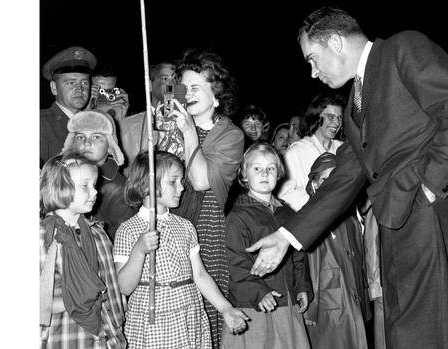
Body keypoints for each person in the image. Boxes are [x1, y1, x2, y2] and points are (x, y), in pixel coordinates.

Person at [247, 6, 448, 349]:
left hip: (429, 211)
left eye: (312, 59)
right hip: (396, 220)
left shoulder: (402, 49)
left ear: (335, 41)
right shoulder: (355, 103)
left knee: (424, 333)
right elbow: (344, 177)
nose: (312, 72)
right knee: (402, 333)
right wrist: (288, 236)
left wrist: (429, 187)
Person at [113, 151, 249, 349]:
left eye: (181, 181)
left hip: (188, 313)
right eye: (173, 181)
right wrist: (139, 251)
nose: (182, 188)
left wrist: (225, 308)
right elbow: (124, 287)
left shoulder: (185, 226)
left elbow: (200, 275)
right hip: (153, 320)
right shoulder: (128, 229)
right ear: (147, 185)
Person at [168, 48, 245, 349]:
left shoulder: (231, 135)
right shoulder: (166, 127)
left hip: (206, 230)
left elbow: (200, 181)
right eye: (184, 88)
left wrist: (189, 132)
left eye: (197, 87)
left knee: (205, 315)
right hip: (170, 225)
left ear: (217, 95)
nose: (188, 94)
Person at [222, 143, 312, 349]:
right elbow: (235, 262)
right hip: (256, 304)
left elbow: (298, 255)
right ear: (244, 175)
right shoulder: (238, 216)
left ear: (279, 174)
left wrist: (302, 287)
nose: (265, 173)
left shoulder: (287, 213)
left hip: (285, 300)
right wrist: (258, 292)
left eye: (271, 168)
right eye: (257, 168)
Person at [39, 152, 126, 348]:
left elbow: (111, 291)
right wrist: (76, 302)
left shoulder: (98, 234)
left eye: (94, 185)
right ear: (59, 187)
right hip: (65, 338)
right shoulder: (42, 237)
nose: (95, 192)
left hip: (106, 338)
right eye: (85, 186)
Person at [303, 152, 369, 349]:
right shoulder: (311, 217)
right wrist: (311, 309)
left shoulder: (350, 217)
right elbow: (311, 267)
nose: (331, 184)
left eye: (336, 178)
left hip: (353, 297)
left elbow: (360, 260)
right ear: (315, 184)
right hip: (330, 304)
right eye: (325, 179)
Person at [62, 110, 137, 242]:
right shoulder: (64, 177)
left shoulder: (118, 189)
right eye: (80, 137)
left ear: (110, 145)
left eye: (96, 137)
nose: (87, 143)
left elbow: (123, 242)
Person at [278, 92, 345, 211]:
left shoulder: (343, 149)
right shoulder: (297, 151)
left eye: (340, 118)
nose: (336, 123)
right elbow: (284, 195)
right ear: (317, 117)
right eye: (331, 117)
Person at [41, 46, 96, 166]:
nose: (80, 89)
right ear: (54, 88)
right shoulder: (42, 124)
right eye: (71, 83)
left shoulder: (95, 124)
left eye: (84, 82)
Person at [118, 61, 176, 173]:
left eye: (176, 78)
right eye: (165, 78)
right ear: (149, 85)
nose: (172, 84)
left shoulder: (189, 123)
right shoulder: (125, 126)